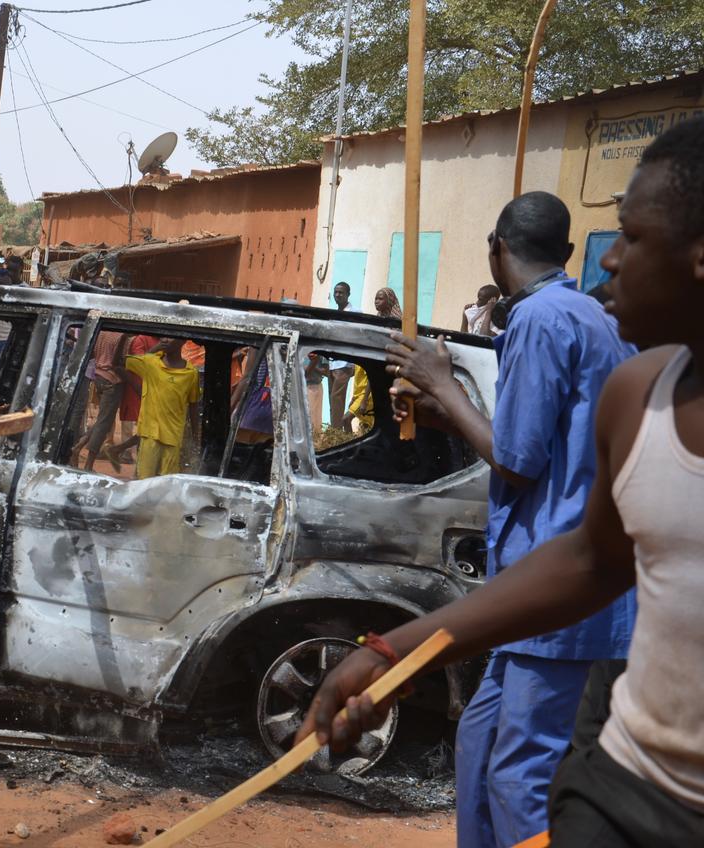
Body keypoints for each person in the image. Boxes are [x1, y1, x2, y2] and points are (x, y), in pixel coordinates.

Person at [300, 118, 704, 847]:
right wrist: (393, 651)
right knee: (483, 746)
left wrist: (443, 385)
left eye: (635, 240)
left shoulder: (543, 319)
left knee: (519, 771)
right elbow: (591, 548)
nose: (612, 265)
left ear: (496, 249)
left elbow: (519, 458)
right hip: (566, 632)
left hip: (558, 608)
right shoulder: (630, 368)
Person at [125, 338, 202, 479]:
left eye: (171, 337)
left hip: (173, 437)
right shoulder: (152, 363)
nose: (165, 340)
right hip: (150, 434)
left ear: (182, 341)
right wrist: (155, 349)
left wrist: (196, 436)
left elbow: (193, 406)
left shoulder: (191, 373)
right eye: (163, 337)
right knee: (144, 482)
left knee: (166, 484)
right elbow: (128, 363)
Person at [71, 330, 128, 470]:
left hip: (99, 376)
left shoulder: (101, 332)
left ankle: (79, 447)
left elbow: (91, 353)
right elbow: (117, 361)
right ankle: (87, 460)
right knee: (104, 424)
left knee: (103, 421)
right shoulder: (121, 335)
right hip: (112, 379)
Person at [327, 282, 355, 430]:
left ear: (348, 294)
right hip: (332, 363)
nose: (338, 295)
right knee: (332, 401)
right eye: (336, 292)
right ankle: (334, 429)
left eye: (341, 292)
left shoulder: (355, 313)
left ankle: (335, 433)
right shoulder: (333, 314)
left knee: (336, 399)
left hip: (344, 363)